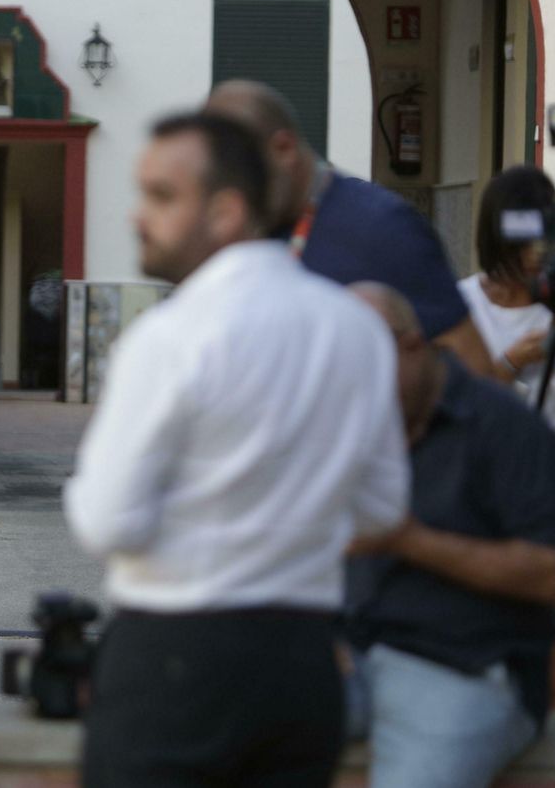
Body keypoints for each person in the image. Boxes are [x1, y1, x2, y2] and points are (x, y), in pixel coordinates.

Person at [65, 112, 410, 787]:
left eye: (162, 196)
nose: (137, 215)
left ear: (225, 212)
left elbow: (106, 523)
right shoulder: (357, 330)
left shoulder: (169, 338)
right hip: (303, 664)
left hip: (173, 658)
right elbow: (382, 509)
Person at [346, 282, 555, 788]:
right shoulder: (354, 419)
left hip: (466, 667)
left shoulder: (505, 427)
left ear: (412, 345)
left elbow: (549, 572)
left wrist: (408, 540)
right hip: (350, 656)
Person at [202, 80, 496, 377]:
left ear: (284, 149)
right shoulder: (244, 232)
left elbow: (475, 373)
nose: (233, 195)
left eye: (241, 176)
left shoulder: (383, 227)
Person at [457, 165, 555, 715]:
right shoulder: (461, 303)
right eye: (525, 234)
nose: (536, 250)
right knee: (481, 676)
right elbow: (454, 402)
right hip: (481, 484)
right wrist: (513, 359)